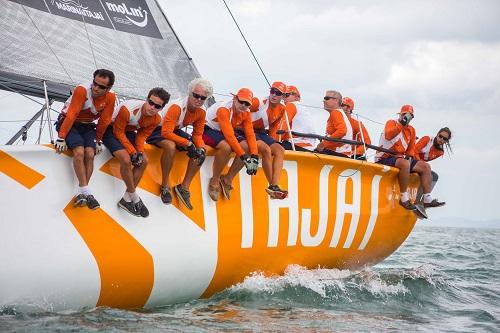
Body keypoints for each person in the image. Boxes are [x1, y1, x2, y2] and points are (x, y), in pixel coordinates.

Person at [103, 87, 170, 217]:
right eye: (150, 102)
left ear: (161, 109)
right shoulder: (128, 109)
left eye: (157, 106)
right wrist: (132, 152)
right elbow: (118, 132)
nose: (152, 107)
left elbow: (141, 136)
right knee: (126, 159)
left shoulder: (156, 119)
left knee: (144, 160)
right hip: (111, 130)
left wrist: (138, 152)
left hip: (128, 132)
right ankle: (134, 197)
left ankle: (126, 199)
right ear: (146, 99)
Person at [54, 69, 116, 210]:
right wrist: (61, 137)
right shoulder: (82, 90)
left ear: (109, 88)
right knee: (79, 152)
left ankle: (82, 193)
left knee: (90, 154)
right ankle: (87, 192)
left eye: (101, 87)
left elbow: (105, 120)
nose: (96, 88)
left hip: (88, 126)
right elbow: (72, 114)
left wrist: (99, 140)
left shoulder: (111, 97)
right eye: (95, 83)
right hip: (69, 123)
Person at [147, 78, 212, 209]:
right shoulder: (177, 106)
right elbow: (165, 133)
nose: (199, 99)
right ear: (189, 93)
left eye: (203, 98)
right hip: (154, 129)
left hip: (173, 130)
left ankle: (184, 187)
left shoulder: (202, 111)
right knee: (170, 146)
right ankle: (165, 186)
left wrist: (199, 148)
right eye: (196, 95)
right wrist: (187, 144)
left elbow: (198, 135)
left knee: (201, 151)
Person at [221, 81, 288, 199]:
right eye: (272, 91)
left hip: (261, 133)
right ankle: (272, 185)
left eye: (278, 93)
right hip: (245, 130)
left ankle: (275, 184)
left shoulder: (282, 108)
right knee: (266, 149)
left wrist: (272, 141)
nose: (274, 95)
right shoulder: (258, 102)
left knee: (280, 150)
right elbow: (240, 108)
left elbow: (273, 127)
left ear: (283, 97)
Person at [375, 105, 445, 213]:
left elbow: (411, 150)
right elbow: (389, 135)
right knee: (405, 164)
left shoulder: (412, 130)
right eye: (404, 115)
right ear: (400, 114)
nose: (406, 117)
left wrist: (410, 158)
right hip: (385, 157)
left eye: (409, 116)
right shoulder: (391, 123)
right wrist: (401, 124)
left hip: (400, 159)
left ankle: (426, 198)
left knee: (426, 167)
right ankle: (404, 197)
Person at [203, 88, 259, 201]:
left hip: (223, 130)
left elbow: (250, 134)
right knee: (226, 147)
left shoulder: (246, 112)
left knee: (247, 147)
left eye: (247, 104)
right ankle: (215, 180)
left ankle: (227, 179)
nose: (243, 105)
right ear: (234, 98)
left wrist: (254, 156)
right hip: (208, 129)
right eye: (241, 101)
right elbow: (229, 136)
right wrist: (244, 157)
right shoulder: (224, 109)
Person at [414, 127, 452, 206]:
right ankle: (418, 201)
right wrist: (421, 163)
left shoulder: (440, 152)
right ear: (437, 134)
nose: (441, 139)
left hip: (420, 165)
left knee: (434, 176)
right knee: (428, 173)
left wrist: (422, 165)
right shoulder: (427, 139)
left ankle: (423, 202)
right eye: (440, 136)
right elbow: (414, 151)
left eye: (444, 139)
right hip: (412, 159)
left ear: (446, 141)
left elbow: (426, 160)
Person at [279, 85, 317, 151]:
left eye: (286, 95)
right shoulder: (304, 109)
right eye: (283, 96)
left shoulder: (291, 105)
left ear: (296, 97)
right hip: (309, 147)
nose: (284, 98)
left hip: (295, 144)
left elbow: (282, 127)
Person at [315, 90, 353, 157]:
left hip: (336, 153)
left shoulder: (336, 113)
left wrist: (323, 144)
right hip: (343, 154)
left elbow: (342, 131)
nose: (324, 101)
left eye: (327, 98)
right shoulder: (340, 113)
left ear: (336, 100)